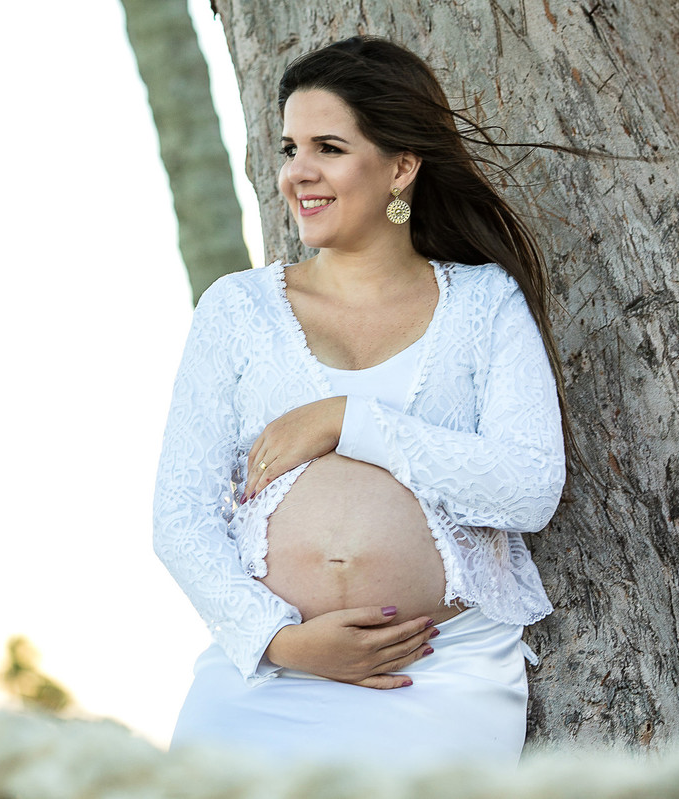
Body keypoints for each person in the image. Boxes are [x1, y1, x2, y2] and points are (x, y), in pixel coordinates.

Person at [152, 36, 569, 768]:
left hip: (435, 676)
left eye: (329, 148)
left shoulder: (483, 302)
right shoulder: (238, 309)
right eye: (290, 148)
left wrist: (348, 421)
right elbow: (179, 517)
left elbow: (528, 486)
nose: (297, 173)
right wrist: (279, 640)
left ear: (401, 167)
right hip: (261, 677)